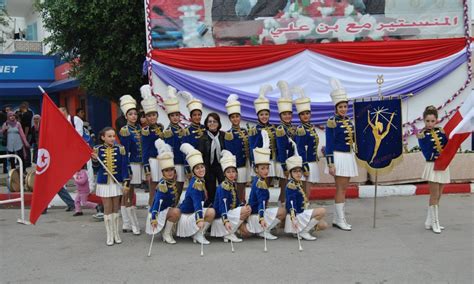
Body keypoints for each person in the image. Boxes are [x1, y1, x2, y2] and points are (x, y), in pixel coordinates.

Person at [324, 79, 359, 231]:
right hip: (338, 157)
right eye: (341, 106)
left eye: (345, 106)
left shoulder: (349, 122)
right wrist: (330, 163)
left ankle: (338, 218)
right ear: (336, 107)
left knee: (344, 188)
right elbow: (329, 143)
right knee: (341, 189)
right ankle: (340, 219)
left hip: (348, 156)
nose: (344, 109)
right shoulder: (332, 122)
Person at [92, 127, 130, 246]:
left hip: (116, 182)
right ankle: (109, 235)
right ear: (103, 137)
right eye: (109, 136)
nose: (112, 138)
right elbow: (95, 169)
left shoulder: (120, 149)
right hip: (104, 183)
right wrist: (94, 160)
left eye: (113, 136)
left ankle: (116, 234)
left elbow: (124, 167)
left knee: (115, 208)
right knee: (107, 208)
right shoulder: (97, 149)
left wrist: (126, 183)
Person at [284, 139, 328, 240]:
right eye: (295, 172)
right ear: (290, 173)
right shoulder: (291, 186)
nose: (298, 174)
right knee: (322, 211)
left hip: (301, 213)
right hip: (297, 215)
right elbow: (291, 204)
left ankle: (300, 231)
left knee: (323, 225)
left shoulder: (297, 183)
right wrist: (293, 218)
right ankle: (303, 231)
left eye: (299, 171)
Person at [246, 130, 286, 240]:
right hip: (257, 214)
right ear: (256, 169)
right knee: (283, 211)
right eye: (262, 168)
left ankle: (265, 228)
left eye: (267, 168)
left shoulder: (259, 180)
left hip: (257, 212)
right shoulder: (260, 183)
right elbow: (261, 203)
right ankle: (264, 230)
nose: (266, 171)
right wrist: (262, 218)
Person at [417, 106, 450, 234]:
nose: (430, 123)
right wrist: (439, 157)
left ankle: (429, 221)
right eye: (427, 121)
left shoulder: (441, 132)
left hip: (443, 165)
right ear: (424, 121)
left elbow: (447, 145)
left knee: (439, 195)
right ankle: (435, 222)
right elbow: (426, 152)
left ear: (436, 120)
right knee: (434, 195)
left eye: (432, 121)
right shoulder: (422, 135)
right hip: (433, 166)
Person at [177, 143, 216, 244]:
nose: (201, 170)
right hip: (187, 215)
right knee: (211, 212)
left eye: (202, 167)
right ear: (193, 171)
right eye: (197, 168)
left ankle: (198, 233)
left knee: (211, 210)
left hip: (192, 212)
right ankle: (198, 234)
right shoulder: (196, 184)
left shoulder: (199, 180)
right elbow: (197, 203)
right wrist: (199, 219)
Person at [211, 150, 252, 243]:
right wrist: (225, 220)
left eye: (233, 171)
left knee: (247, 208)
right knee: (245, 210)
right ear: (224, 174)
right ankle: (228, 233)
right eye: (228, 172)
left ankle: (230, 232)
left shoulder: (232, 184)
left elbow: (236, 202)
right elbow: (222, 206)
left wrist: (243, 205)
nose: (231, 174)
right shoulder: (223, 186)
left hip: (230, 212)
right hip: (222, 214)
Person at [146, 139, 181, 244]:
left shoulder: (172, 181)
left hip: (167, 210)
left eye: (171, 170)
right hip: (158, 213)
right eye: (167, 170)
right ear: (162, 172)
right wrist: (153, 218)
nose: (170, 173)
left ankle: (168, 230)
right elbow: (156, 203)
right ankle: (166, 234)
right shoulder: (163, 185)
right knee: (176, 212)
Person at [118, 94, 143, 235]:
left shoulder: (139, 128)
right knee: (128, 193)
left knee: (130, 193)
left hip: (139, 164)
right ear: (126, 116)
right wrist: (126, 169)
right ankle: (131, 224)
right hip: (131, 164)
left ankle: (127, 223)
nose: (133, 116)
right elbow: (125, 152)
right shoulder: (125, 130)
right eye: (130, 114)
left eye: (135, 114)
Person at [140, 84, 164, 206]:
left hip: (163, 161)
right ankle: (151, 215)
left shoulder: (161, 127)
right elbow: (144, 150)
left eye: (154, 115)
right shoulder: (145, 131)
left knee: (163, 189)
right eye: (149, 115)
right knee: (153, 190)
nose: (152, 117)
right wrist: (147, 170)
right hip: (153, 162)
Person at [224, 94, 251, 202]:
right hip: (238, 165)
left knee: (243, 186)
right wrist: (233, 169)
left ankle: (242, 202)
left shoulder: (245, 131)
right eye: (233, 117)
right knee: (238, 187)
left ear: (240, 117)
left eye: (237, 116)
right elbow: (230, 153)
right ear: (230, 118)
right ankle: (239, 204)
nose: (235, 119)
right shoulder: (229, 134)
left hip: (246, 163)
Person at [249, 85, 277, 185]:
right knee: (260, 183)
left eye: (266, 114)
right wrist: (254, 163)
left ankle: (266, 200)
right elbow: (252, 147)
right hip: (260, 161)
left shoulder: (273, 128)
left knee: (268, 183)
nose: (264, 116)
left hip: (271, 159)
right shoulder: (254, 130)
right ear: (258, 116)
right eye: (261, 114)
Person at [294, 87, 320, 196]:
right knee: (303, 191)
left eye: (307, 113)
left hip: (312, 161)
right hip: (306, 163)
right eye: (303, 114)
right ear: (299, 116)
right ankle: (303, 210)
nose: (305, 116)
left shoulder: (310, 128)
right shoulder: (301, 129)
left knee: (307, 191)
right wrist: (304, 166)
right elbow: (300, 149)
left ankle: (305, 208)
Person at [163, 86, 186, 199]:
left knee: (180, 186)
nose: (175, 118)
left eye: (177, 115)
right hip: (174, 163)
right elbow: (168, 150)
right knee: (174, 187)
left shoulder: (182, 129)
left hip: (182, 162)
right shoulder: (168, 132)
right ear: (169, 117)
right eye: (173, 115)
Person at [198, 113, 225, 207]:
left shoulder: (223, 135)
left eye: (214, 121)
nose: (212, 123)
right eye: (210, 121)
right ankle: (211, 207)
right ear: (206, 123)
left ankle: (223, 206)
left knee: (224, 187)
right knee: (210, 189)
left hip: (221, 166)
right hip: (208, 167)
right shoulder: (203, 137)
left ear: (218, 123)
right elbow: (201, 156)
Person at [275, 80, 295, 204]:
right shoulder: (280, 129)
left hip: (292, 162)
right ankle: (281, 216)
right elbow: (281, 149)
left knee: (290, 190)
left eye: (289, 114)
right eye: (284, 114)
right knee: (284, 190)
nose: (287, 116)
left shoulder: (292, 128)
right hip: (284, 164)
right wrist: (285, 167)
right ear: (280, 116)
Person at [181, 91, 206, 179]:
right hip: (194, 165)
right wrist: (187, 168)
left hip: (206, 164)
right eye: (194, 115)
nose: (197, 117)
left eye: (199, 115)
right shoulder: (187, 131)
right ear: (191, 116)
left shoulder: (206, 128)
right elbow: (185, 151)